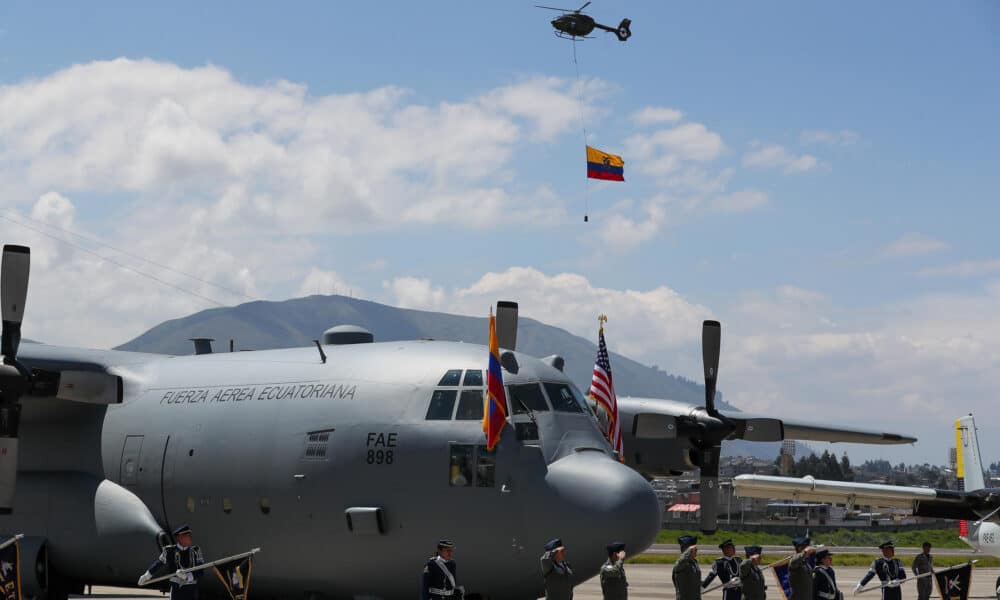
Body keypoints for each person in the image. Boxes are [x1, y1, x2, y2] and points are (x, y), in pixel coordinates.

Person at [137, 524, 205, 600]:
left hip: (191, 590)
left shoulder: (196, 550)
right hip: (176, 590)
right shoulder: (169, 551)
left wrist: (187, 576)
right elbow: (158, 564)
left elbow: (200, 570)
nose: (191, 538)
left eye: (190, 536)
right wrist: (146, 576)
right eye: (188, 536)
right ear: (180, 538)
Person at [673, 535, 701, 600]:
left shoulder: (694, 562)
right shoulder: (680, 564)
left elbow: (695, 581)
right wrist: (689, 551)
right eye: (693, 549)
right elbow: (681, 561)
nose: (696, 550)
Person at [788, 536, 816, 600]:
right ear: (799, 548)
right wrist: (805, 552)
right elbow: (796, 560)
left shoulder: (806, 563)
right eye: (804, 547)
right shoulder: (794, 561)